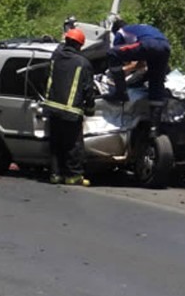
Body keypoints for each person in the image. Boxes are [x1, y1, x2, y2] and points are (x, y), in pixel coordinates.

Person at [43, 28, 95, 186]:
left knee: (56, 144)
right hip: (71, 112)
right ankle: (74, 176)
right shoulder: (83, 63)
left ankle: (55, 175)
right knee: (73, 146)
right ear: (80, 45)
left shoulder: (56, 58)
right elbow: (88, 89)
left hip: (52, 108)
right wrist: (90, 108)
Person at [105, 19, 171, 136]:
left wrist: (120, 72)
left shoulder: (121, 32)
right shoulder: (140, 29)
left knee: (111, 53)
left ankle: (120, 92)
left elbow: (120, 56)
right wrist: (129, 69)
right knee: (155, 84)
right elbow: (141, 62)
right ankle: (154, 128)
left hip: (148, 44)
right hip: (165, 46)